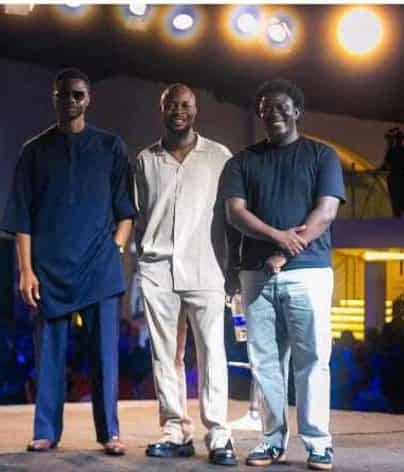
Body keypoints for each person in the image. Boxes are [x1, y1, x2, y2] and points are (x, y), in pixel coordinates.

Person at [1, 68, 135, 456]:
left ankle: (109, 432)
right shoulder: (34, 150)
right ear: (54, 98)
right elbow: (21, 217)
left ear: (88, 99)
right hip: (49, 269)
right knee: (48, 358)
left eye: (77, 94)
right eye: (63, 95)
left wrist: (115, 248)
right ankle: (45, 431)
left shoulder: (111, 147)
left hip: (99, 267)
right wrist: (26, 270)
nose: (70, 101)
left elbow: (126, 210)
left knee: (105, 356)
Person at [220, 78, 345, 470]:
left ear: (296, 111)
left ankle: (318, 443)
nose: (272, 113)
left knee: (312, 360)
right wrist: (277, 238)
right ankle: (272, 441)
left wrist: (289, 249)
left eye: (280, 106)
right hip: (255, 275)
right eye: (265, 108)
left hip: (308, 273)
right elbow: (235, 213)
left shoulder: (321, 155)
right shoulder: (242, 161)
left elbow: (326, 211)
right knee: (264, 363)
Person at [133, 83, 237, 466]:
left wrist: (232, 268)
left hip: (206, 267)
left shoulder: (219, 157)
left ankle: (219, 434)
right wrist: (144, 261)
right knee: (165, 355)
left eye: (185, 105)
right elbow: (140, 217)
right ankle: (175, 431)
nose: (179, 111)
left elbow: (230, 217)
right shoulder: (145, 160)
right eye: (172, 105)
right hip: (158, 269)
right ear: (162, 109)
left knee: (212, 352)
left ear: (195, 110)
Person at [380, 128, 404, 217]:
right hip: (403, 179)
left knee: (397, 203)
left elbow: (385, 166)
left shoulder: (393, 151)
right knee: (402, 203)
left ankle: (399, 220)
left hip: (397, 179)